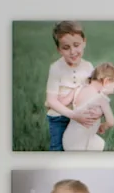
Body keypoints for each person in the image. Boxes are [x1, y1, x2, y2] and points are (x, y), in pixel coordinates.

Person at [44, 21, 104, 152]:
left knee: (80, 147)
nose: (72, 52)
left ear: (84, 42)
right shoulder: (56, 68)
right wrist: (73, 115)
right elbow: (51, 101)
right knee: (58, 148)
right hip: (59, 117)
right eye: (66, 47)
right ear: (59, 49)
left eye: (76, 45)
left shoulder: (88, 67)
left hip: (80, 115)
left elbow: (96, 93)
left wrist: (99, 112)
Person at [62, 63, 114, 151]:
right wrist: (102, 126)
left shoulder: (78, 89)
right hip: (82, 141)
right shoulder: (101, 99)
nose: (113, 92)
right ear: (106, 81)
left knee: (98, 143)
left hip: (69, 138)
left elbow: (61, 103)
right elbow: (111, 122)